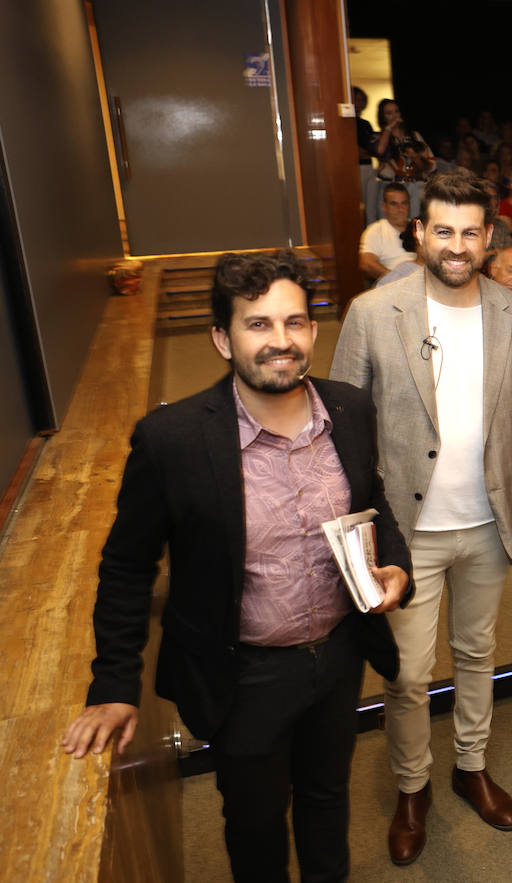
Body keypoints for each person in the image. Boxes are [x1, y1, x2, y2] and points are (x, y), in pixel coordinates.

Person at [62, 251, 413, 881]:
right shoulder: (172, 440)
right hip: (242, 675)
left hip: (337, 656)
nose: (281, 342)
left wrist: (397, 566)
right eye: (259, 325)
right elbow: (125, 566)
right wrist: (113, 685)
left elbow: (374, 499)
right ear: (222, 338)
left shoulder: (351, 411)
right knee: (254, 823)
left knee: (327, 798)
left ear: (312, 329)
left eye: (295, 323)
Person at [331, 169, 512, 863]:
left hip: (489, 527)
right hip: (407, 534)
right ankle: (414, 785)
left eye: (471, 231)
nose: (457, 244)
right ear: (419, 233)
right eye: (443, 230)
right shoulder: (374, 312)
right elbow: (343, 433)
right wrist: (359, 542)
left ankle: (470, 765)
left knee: (477, 652)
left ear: (489, 236)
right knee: (406, 673)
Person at [360, 182, 417, 280]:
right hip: (393, 284)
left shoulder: (418, 227)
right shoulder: (376, 230)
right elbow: (366, 264)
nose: (400, 209)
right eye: (394, 204)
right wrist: (396, 279)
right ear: (384, 207)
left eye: (404, 203)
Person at [373, 99, 435, 182]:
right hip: (391, 186)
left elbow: (430, 166)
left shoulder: (414, 135)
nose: (394, 116)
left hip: (416, 185)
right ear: (382, 117)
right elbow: (380, 151)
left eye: (396, 111)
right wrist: (388, 128)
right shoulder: (380, 137)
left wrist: (416, 157)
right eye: (389, 113)